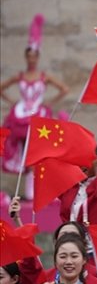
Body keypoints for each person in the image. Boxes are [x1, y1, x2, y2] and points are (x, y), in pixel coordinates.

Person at [1, 14, 68, 190]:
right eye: (29, 56)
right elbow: (2, 88)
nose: (31, 59)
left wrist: (49, 103)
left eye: (34, 56)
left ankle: (35, 186)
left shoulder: (44, 76)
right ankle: (28, 187)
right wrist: (11, 102)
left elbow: (64, 89)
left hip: (37, 112)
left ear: (37, 58)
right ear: (26, 57)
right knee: (23, 150)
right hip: (21, 113)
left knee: (36, 149)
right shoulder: (20, 76)